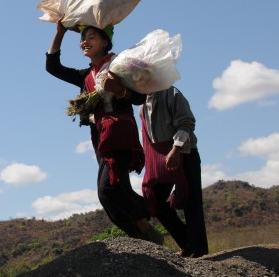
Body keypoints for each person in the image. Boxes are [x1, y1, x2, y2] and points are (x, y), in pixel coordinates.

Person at [45, 19, 162, 243]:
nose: (84, 42)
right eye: (82, 38)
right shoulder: (85, 76)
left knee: (107, 190)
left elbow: (140, 97)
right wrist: (59, 33)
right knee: (114, 190)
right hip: (100, 136)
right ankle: (144, 238)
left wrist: (119, 90)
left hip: (119, 132)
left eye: (91, 37)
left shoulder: (119, 66)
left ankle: (145, 225)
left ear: (105, 41)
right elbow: (53, 67)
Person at [140, 86, 208, 257]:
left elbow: (186, 122)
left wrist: (176, 148)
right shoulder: (142, 104)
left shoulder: (171, 93)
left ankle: (198, 251)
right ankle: (187, 243)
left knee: (191, 202)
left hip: (185, 153)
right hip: (160, 158)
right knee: (156, 201)